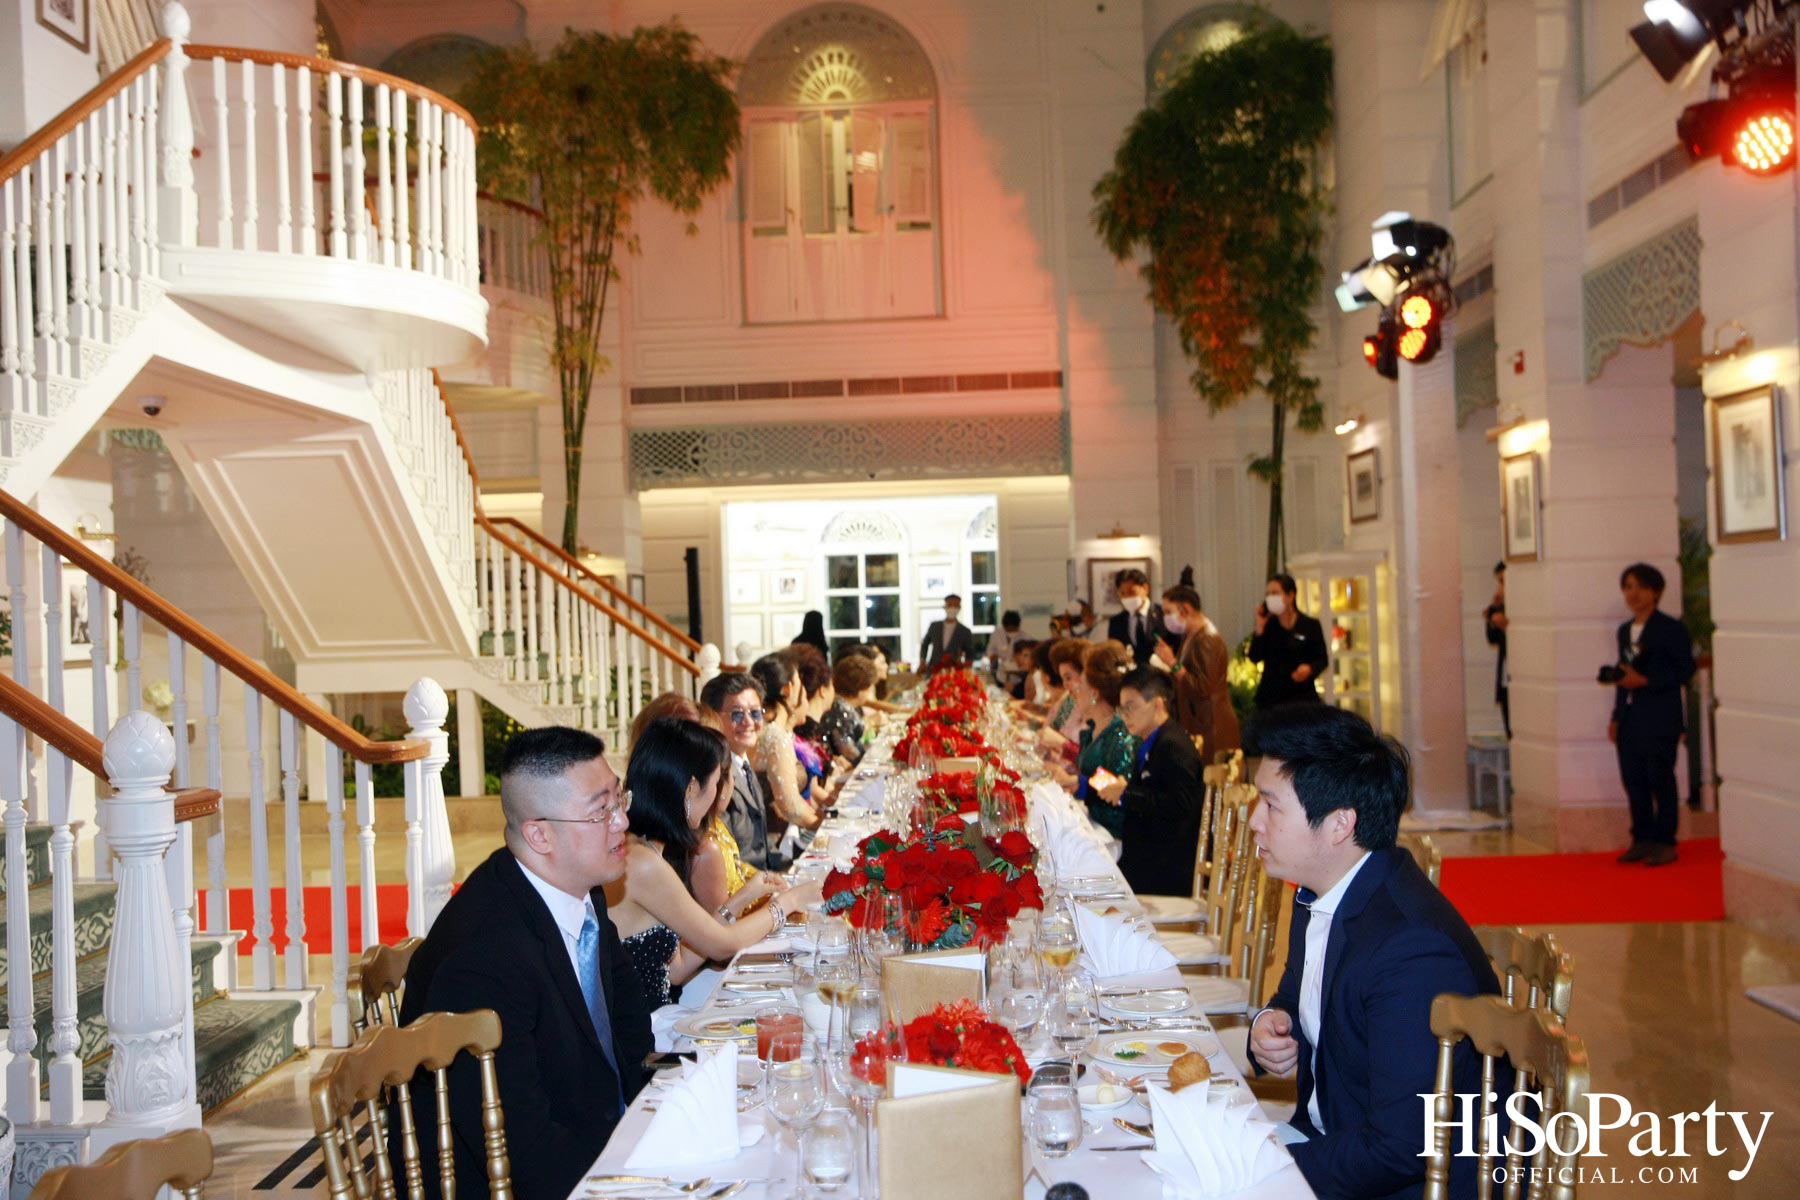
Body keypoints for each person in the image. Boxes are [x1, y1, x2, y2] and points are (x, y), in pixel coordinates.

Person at [1243, 703, 1502, 1200]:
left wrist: (1262, 1168)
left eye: (1270, 805)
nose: (1255, 821)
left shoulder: (1410, 950)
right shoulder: (1320, 891)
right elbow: (1297, 994)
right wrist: (1271, 1022)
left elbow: (1401, 1148)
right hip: (1336, 1141)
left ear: (1340, 824)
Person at [394, 726, 653, 1200]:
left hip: (593, 1139)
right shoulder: (484, 958)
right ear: (539, 834)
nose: (622, 822)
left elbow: (628, 1018)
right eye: (601, 811)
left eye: (619, 800)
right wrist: (632, 1180)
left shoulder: (578, 887)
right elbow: (521, 1147)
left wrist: (648, 1124)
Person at [608, 718, 823, 1005]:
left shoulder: (644, 849)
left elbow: (677, 968)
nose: (719, 792)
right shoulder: (642, 862)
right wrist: (790, 901)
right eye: (716, 780)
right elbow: (723, 946)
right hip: (650, 1027)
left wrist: (742, 899)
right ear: (691, 788)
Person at [1610, 562, 1696, 867]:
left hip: (1660, 715)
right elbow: (1624, 676)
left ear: (1656, 592)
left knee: (1660, 778)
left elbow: (1685, 670)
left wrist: (1646, 681)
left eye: (1641, 587)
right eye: (1628, 587)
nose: (1633, 594)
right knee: (1633, 779)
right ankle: (1642, 837)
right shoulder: (1624, 631)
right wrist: (1616, 716)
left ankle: (1665, 841)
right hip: (1630, 716)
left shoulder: (1671, 629)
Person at [1094, 668, 1204, 895]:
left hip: (1164, 868)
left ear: (1158, 704)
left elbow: (1181, 805)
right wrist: (1125, 790)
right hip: (1147, 855)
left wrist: (1127, 793)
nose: (1124, 715)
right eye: (1121, 708)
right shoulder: (1155, 739)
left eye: (1131, 706)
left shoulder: (1173, 745)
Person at [700, 671, 788, 871]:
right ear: (713, 717)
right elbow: (729, 860)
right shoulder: (714, 776)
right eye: (737, 714)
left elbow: (763, 847)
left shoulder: (743, 763)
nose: (749, 722)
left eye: (755, 713)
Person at [1061, 641, 1139, 839]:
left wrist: (1080, 785)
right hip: (1090, 824)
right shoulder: (1096, 728)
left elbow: (1118, 796)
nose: (1075, 692)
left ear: (1094, 693)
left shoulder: (1119, 734)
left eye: (1081, 685)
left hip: (1108, 836)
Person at [750, 653, 826, 853]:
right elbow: (789, 804)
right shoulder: (776, 737)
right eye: (799, 681)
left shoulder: (765, 730)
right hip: (774, 844)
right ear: (788, 689)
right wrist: (824, 826)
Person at [1154, 583, 1241, 756]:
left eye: (1168, 612)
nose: (1165, 618)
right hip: (1197, 721)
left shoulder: (1207, 639)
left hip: (1210, 725)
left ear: (1185, 609)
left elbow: (1203, 687)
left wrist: (1172, 663)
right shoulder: (1190, 636)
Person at [1247, 573, 1330, 712]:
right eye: (1268, 594)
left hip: (1302, 697)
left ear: (1290, 596)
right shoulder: (1269, 626)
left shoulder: (1310, 625)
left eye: (1275, 593)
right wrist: (1260, 627)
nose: (1270, 598)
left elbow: (1322, 659)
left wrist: (1310, 668)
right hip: (1272, 699)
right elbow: (1254, 656)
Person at [820, 651, 878, 763]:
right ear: (861, 689)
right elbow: (848, 750)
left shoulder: (842, 705)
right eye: (869, 688)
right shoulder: (841, 710)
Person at [1106, 568, 1168, 667]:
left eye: (1132, 592)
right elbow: (1114, 654)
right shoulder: (1116, 622)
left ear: (1145, 589)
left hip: (1160, 671)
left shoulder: (1163, 615)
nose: (1127, 597)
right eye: (1122, 593)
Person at [1483, 562, 1510, 738]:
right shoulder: (1502, 608)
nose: (1499, 589)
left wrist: (1508, 627)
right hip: (1505, 681)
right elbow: (1492, 638)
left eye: (1503, 582)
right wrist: (1492, 617)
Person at [919, 593, 976, 671]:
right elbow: (924, 644)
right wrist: (922, 661)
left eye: (955, 605)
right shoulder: (934, 626)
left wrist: (967, 667)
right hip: (934, 669)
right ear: (945, 606)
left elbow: (969, 652)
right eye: (949, 604)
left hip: (955, 671)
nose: (952, 608)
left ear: (959, 607)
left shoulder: (965, 631)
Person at [985, 609, 1026, 692]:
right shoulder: (997, 634)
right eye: (1008, 630)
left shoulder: (1025, 637)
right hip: (1001, 676)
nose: (1011, 632)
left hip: (1018, 679)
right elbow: (990, 651)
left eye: (1013, 630)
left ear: (1018, 627)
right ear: (1004, 627)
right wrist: (994, 656)